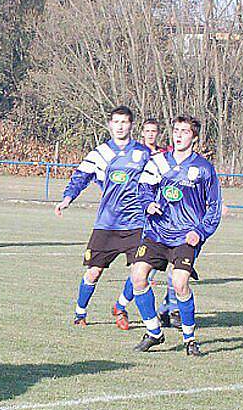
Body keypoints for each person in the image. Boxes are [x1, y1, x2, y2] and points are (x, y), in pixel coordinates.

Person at [130, 115, 222, 356]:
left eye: (185, 131)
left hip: (185, 236)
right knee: (138, 276)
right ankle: (153, 332)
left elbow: (214, 207)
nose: (179, 135)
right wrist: (148, 203)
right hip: (157, 231)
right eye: (176, 130)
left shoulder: (204, 168)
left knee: (180, 282)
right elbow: (144, 188)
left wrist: (200, 231)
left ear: (194, 137)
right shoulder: (158, 162)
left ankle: (190, 339)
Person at [55, 106, 151, 330]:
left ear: (131, 125)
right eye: (116, 122)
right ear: (109, 125)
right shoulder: (99, 154)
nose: (120, 126)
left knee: (142, 270)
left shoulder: (144, 154)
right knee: (93, 271)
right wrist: (67, 198)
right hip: (107, 224)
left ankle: (120, 305)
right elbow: (80, 177)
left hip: (137, 223)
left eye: (124, 122)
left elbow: (157, 181)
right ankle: (80, 312)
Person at [140, 118, 181, 328]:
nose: (150, 134)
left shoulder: (163, 157)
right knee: (140, 271)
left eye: (154, 131)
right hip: (136, 216)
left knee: (173, 269)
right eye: (147, 131)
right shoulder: (135, 153)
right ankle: (121, 305)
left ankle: (169, 310)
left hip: (161, 220)